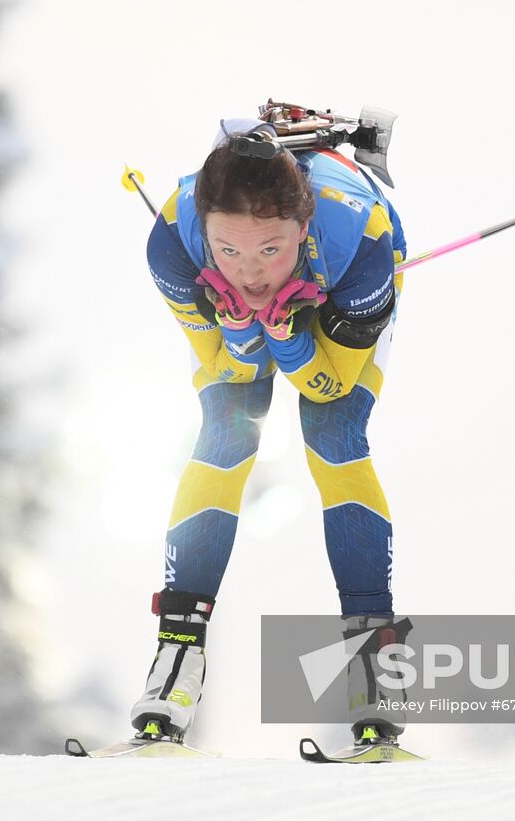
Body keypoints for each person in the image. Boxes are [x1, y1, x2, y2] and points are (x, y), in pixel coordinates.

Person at [129, 118, 410, 745]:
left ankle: (377, 675)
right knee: (228, 429)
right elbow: (226, 370)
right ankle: (176, 662)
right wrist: (238, 328)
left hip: (340, 288)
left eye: (269, 250)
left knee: (334, 436)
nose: (249, 273)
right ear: (205, 232)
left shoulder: (358, 249)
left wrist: (287, 338)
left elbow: (327, 385)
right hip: (263, 305)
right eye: (227, 250)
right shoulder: (173, 247)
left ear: (301, 231)